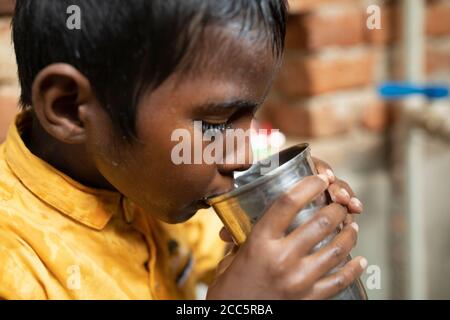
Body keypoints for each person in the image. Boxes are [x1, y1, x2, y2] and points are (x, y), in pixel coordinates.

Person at [0, 0, 366, 299]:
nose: (242, 156)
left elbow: (221, 255)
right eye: (215, 124)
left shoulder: (147, 185)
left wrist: (281, 230)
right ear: (68, 108)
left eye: (249, 116)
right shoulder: (13, 265)